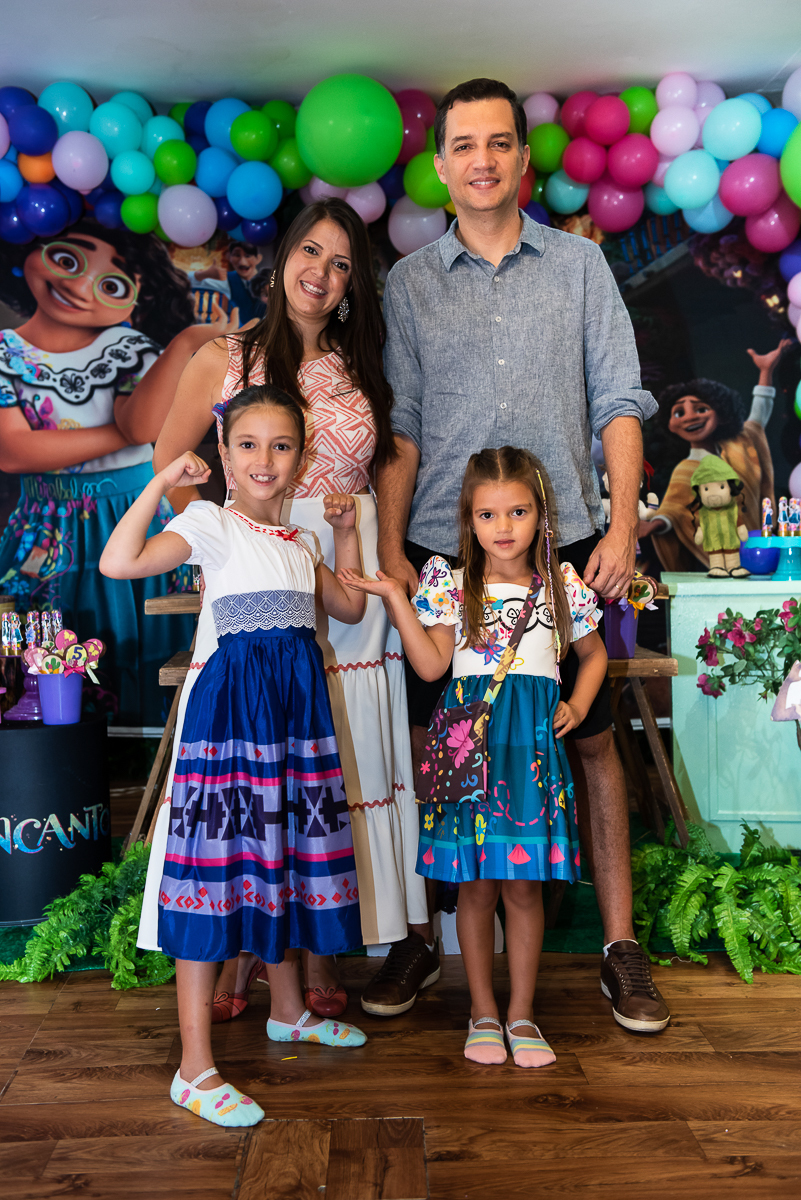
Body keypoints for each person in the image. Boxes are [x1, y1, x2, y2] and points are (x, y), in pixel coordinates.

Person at [377, 77, 670, 1033]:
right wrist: (388, 545)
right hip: (443, 543)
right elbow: (404, 425)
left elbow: (618, 399)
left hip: (565, 537)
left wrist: (618, 527)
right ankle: (422, 935)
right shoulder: (408, 284)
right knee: (435, 744)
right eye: (464, 145)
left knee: (590, 737)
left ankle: (619, 947)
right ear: (440, 165)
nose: (482, 160)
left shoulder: (580, 267)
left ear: (522, 157)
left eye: (499, 142)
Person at [140, 199, 428, 1021]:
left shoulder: (363, 363)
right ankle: (238, 953)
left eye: (341, 264)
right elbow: (168, 457)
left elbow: (395, 454)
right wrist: (213, 541)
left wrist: (384, 544)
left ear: (352, 284)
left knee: (331, 758)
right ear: (281, 260)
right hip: (250, 572)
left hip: (341, 563)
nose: (322, 273)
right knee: (249, 758)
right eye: (311, 252)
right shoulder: (223, 354)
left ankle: (315, 949)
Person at [100, 384, 368, 1128]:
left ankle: (288, 1011)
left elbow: (348, 607)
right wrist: (161, 479)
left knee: (280, 861)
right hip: (227, 729)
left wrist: (345, 534)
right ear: (222, 451)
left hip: (291, 726)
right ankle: (193, 1068)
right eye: (247, 444)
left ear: (301, 458)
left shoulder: (300, 542)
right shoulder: (209, 522)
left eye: (281, 445)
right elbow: (119, 563)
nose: (264, 459)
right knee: (215, 876)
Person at [341, 447, 608, 1063]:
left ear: (541, 515)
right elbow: (430, 666)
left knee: (524, 890)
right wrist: (396, 598)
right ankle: (482, 1012)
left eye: (518, 512)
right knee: (477, 889)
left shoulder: (561, 586)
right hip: (470, 758)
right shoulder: (450, 583)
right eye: (488, 515)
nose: (503, 527)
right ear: (469, 519)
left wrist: (577, 704)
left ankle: (522, 1015)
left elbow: (592, 655)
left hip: (530, 755)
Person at [0, 220, 235, 724]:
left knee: (146, 646)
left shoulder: (129, 349)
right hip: (48, 526)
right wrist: (125, 435)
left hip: (134, 516)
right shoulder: (4, 352)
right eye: (68, 259)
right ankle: (59, 758)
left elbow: (143, 423)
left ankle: (144, 755)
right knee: (48, 651)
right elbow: (13, 451)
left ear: (135, 297)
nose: (81, 285)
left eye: (111, 284)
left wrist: (188, 341)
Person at [641, 340, 790, 572]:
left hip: (761, 546)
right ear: (669, 424)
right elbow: (674, 509)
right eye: (679, 412)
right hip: (718, 555)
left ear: (721, 413)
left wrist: (766, 371)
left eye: (701, 409)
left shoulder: (741, 442)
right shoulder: (685, 470)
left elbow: (759, 414)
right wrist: (654, 525)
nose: (690, 417)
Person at [188, 240, 267, 325]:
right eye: (237, 255)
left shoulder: (268, 277)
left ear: (258, 258)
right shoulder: (229, 279)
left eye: (248, 256)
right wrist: (205, 274)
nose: (242, 262)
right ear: (229, 257)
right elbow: (188, 280)